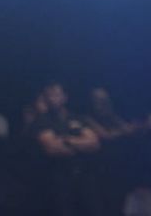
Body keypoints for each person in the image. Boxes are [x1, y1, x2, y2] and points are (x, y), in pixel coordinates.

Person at [31, 82, 103, 216]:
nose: (52, 98)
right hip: (60, 180)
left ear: (64, 97)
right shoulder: (41, 121)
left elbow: (94, 143)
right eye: (49, 95)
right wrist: (81, 144)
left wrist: (66, 140)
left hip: (85, 176)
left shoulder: (77, 118)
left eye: (56, 94)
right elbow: (52, 148)